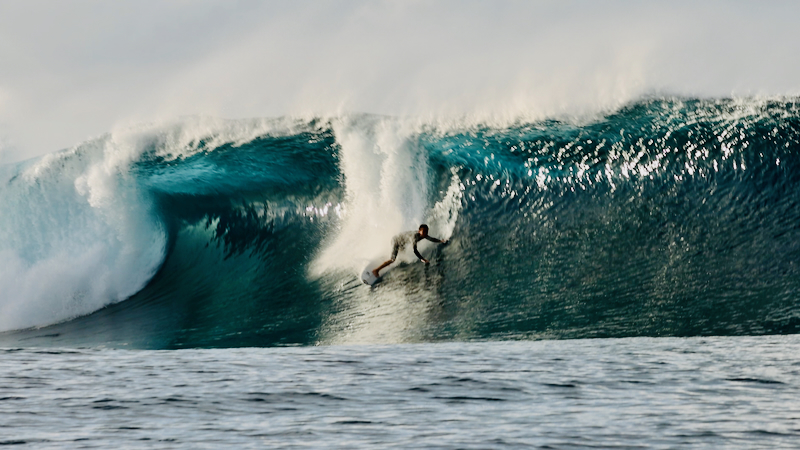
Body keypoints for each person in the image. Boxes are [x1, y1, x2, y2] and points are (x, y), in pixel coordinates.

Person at [372, 224, 448, 277]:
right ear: (419, 231)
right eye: (424, 232)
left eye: (426, 232)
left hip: (401, 242)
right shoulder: (415, 236)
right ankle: (376, 270)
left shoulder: (424, 235)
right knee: (393, 259)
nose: (425, 234)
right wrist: (422, 259)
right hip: (396, 240)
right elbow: (415, 250)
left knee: (400, 254)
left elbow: (432, 239)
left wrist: (440, 241)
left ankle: (386, 260)